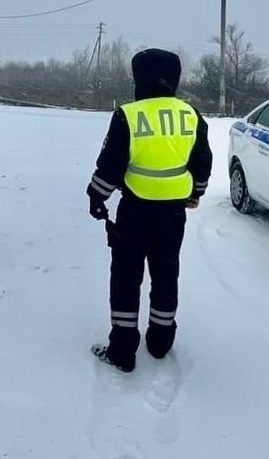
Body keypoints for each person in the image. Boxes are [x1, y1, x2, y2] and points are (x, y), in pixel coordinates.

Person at [86, 49, 212, 372]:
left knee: (127, 278)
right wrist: (195, 193)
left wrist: (96, 196)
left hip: (135, 211)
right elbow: (202, 162)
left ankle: (123, 351)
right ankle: (160, 341)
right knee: (166, 273)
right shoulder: (191, 115)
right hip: (173, 214)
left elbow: (111, 164)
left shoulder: (128, 115)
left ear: (139, 78)